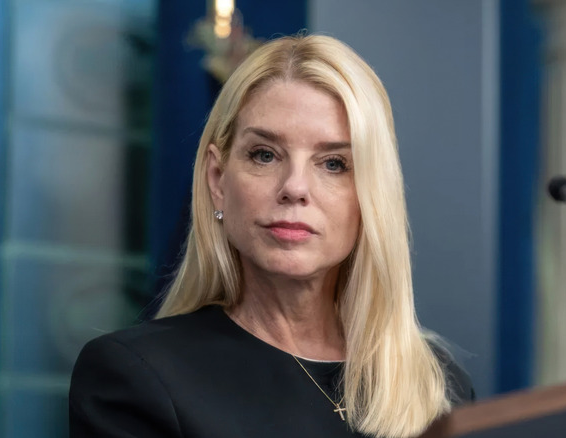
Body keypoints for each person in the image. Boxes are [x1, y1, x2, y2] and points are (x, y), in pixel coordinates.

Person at [69, 34, 474, 438]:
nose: (295, 187)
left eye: (333, 163)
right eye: (265, 154)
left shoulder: (437, 384)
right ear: (217, 181)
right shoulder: (135, 375)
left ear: (373, 194)